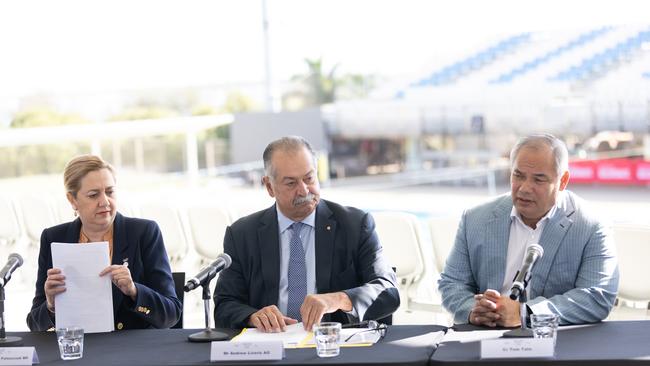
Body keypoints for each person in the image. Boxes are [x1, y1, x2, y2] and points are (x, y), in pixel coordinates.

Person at [214, 136, 399, 332]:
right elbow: (224, 305)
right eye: (291, 183)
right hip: (271, 345)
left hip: (333, 346)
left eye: (309, 178)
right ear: (269, 186)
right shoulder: (242, 234)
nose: (304, 191)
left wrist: (338, 299)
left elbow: (388, 291)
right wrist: (252, 316)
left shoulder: (355, 225)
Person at [438, 133, 619, 326]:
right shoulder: (475, 219)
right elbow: (451, 283)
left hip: (556, 338)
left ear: (563, 181)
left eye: (538, 180)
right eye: (518, 175)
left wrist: (526, 313)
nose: (525, 188)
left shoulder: (590, 224)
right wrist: (473, 310)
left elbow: (598, 295)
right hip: (485, 333)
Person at [26, 155, 181, 331]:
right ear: (72, 200)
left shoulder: (144, 232)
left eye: (110, 192)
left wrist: (134, 291)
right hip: (78, 349)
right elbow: (34, 325)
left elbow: (171, 314)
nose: (105, 202)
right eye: (93, 195)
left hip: (133, 351)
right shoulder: (53, 238)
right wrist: (51, 305)